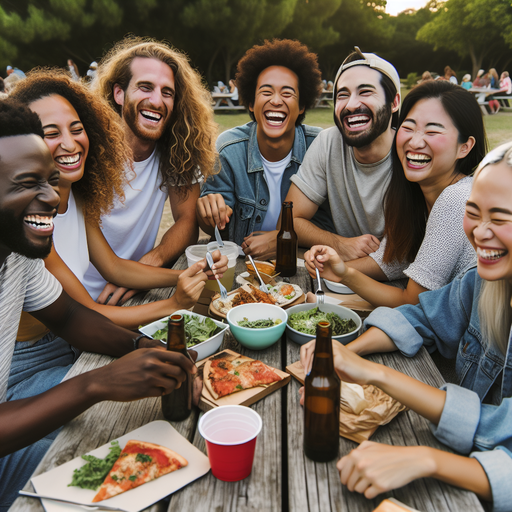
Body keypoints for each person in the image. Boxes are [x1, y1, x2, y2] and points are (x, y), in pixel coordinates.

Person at [0, 99, 197, 510]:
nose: (51, 197)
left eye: (50, 180)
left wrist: (143, 348)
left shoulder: (18, 252)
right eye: (26, 183)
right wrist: (95, 384)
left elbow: (69, 316)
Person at [300, 142, 512, 510]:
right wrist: (349, 353)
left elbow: (501, 435)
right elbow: (421, 317)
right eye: (473, 213)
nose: (480, 232)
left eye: (501, 218)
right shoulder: (482, 282)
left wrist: (426, 460)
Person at [11, 69, 227, 333]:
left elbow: (114, 267)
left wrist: (192, 273)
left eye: (77, 129)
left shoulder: (77, 198)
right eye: (51, 134)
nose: (69, 143)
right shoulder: (31, 219)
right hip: (35, 353)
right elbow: (83, 314)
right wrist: (173, 304)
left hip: (69, 339)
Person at [305, 81, 486, 308]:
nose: (415, 142)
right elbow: (389, 263)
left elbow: (412, 301)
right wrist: (335, 267)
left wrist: (343, 275)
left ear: (465, 146)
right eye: (408, 127)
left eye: (432, 131)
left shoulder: (457, 199)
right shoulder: (416, 197)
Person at [83, 36, 217, 304]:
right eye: (145, 87)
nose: (157, 101)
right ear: (118, 93)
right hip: (69, 300)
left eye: (167, 92)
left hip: (131, 292)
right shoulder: (87, 148)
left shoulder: (177, 150)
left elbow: (187, 222)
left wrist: (151, 262)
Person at [196, 39, 333, 259]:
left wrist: (282, 240)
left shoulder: (320, 147)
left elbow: (329, 223)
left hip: (303, 267)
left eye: (287, 93)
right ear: (251, 103)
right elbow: (212, 227)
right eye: (266, 92)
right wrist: (209, 212)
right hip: (243, 270)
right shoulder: (228, 150)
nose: (276, 100)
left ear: (302, 106)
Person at [284, 46, 401, 261]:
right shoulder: (329, 142)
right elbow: (290, 220)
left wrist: (343, 271)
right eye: (342, 95)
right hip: (341, 281)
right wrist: (339, 244)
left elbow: (411, 252)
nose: (351, 104)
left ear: (394, 103)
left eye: (365, 92)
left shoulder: (411, 152)